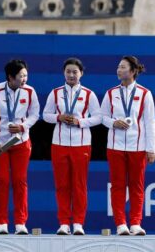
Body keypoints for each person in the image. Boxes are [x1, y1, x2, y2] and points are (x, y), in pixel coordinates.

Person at [0, 59, 40, 235]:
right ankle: (2, 222)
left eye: (26, 75)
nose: (25, 79)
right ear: (10, 77)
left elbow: (35, 114)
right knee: (2, 180)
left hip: (21, 142)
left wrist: (23, 126)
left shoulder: (30, 91)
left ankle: (20, 223)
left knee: (20, 181)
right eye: (21, 76)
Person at [42, 57, 102, 235]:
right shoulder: (55, 93)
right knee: (62, 185)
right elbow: (45, 115)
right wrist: (57, 118)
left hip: (81, 143)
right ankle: (63, 223)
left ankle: (78, 223)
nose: (71, 75)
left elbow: (98, 117)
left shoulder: (89, 94)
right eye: (68, 71)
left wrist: (80, 122)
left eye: (75, 72)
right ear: (63, 73)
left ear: (81, 73)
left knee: (79, 185)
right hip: (59, 143)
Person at [100, 56, 155, 236]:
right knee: (117, 185)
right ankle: (120, 224)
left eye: (122, 67)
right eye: (118, 67)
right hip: (115, 146)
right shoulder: (110, 93)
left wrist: (151, 148)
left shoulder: (145, 94)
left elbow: (150, 122)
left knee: (136, 186)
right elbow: (102, 117)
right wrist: (114, 122)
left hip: (138, 146)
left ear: (132, 71)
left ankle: (136, 223)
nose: (118, 70)